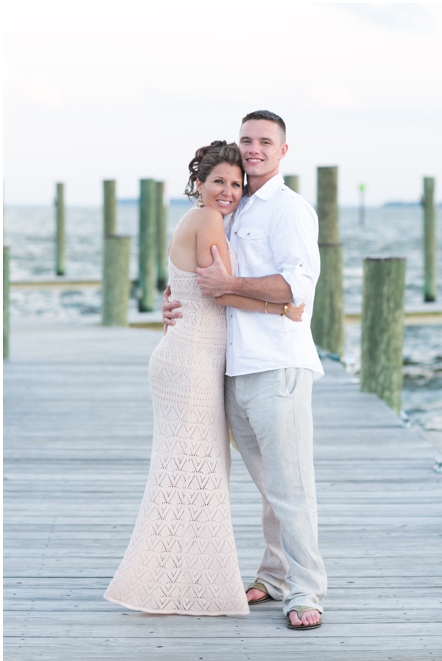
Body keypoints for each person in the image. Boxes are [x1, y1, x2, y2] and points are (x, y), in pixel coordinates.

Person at [104, 141, 305, 616]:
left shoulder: (193, 219)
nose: (229, 191)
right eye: (219, 181)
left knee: (188, 470)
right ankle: (177, 581)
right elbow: (223, 292)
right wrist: (282, 307)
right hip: (191, 361)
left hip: (185, 356)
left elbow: (189, 289)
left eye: (236, 184)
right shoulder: (210, 221)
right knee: (198, 472)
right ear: (199, 182)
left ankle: (175, 575)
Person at [163, 110, 326, 631]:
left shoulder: (290, 209)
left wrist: (234, 288)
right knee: (267, 485)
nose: (253, 149)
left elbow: (298, 286)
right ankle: (274, 577)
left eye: (264, 142)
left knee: (291, 486)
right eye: (246, 140)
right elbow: (197, 274)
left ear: (282, 151)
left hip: (277, 366)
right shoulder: (232, 207)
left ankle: (305, 592)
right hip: (230, 366)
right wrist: (174, 300)